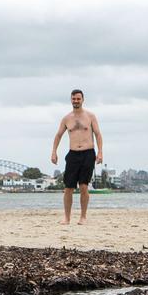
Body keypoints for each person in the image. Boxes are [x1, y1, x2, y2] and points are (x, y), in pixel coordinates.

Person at [50, 89, 103, 225]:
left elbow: (97, 134)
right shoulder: (67, 118)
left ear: (82, 100)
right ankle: (67, 218)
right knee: (68, 187)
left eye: (78, 99)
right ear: (71, 100)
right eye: (74, 99)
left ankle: (83, 217)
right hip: (73, 154)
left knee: (84, 186)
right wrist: (54, 152)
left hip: (88, 153)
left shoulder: (90, 116)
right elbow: (58, 135)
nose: (76, 101)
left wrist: (100, 152)